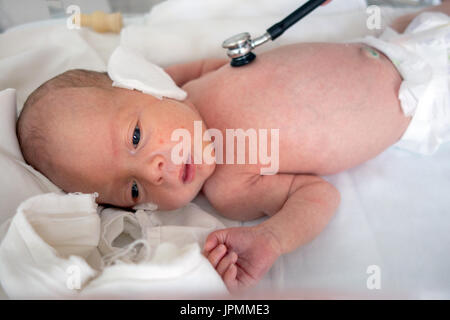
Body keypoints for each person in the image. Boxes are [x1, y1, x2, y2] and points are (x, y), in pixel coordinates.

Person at [16, 1, 450, 293]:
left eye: (135, 138)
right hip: (426, 103)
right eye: (133, 190)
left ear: (147, 86)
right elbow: (318, 194)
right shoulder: (231, 187)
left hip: (393, 44)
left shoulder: (189, 85)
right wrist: (271, 239)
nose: (155, 171)